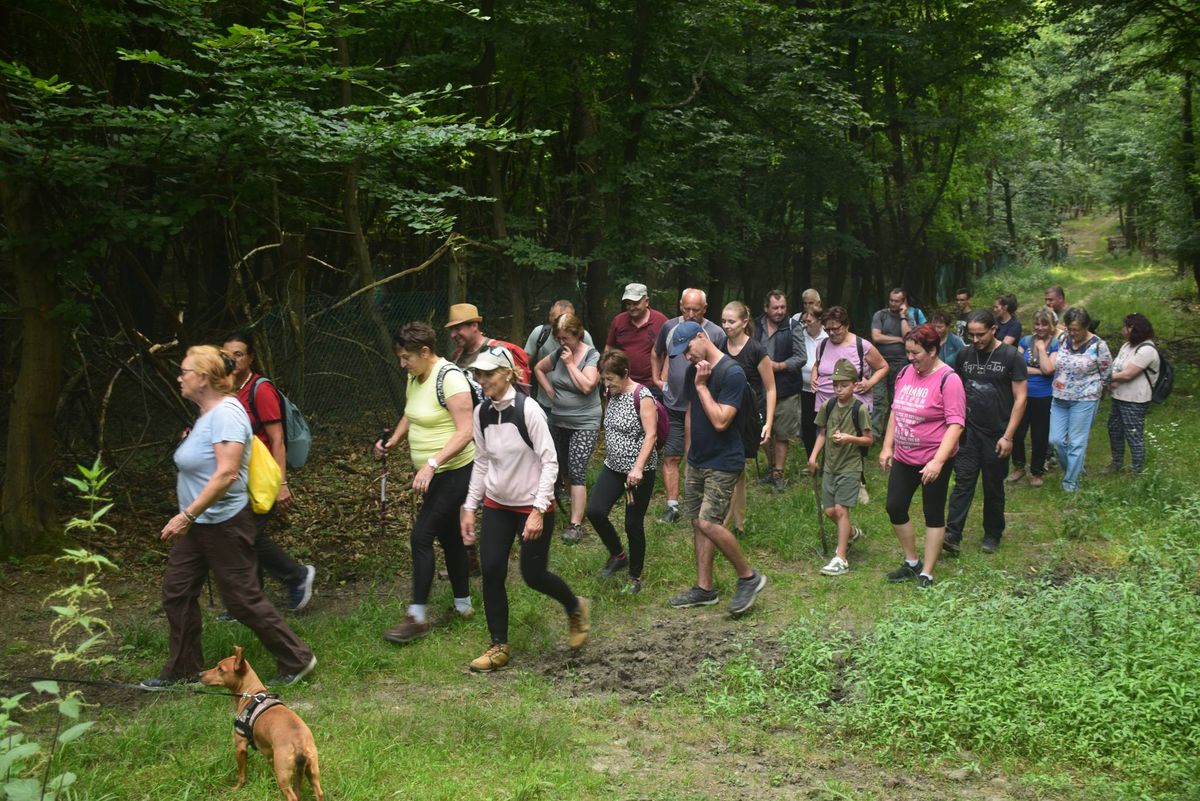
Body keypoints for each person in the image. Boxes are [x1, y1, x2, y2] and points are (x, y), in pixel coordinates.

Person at [143, 346, 316, 688]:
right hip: (199, 525)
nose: (180, 377)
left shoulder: (226, 414)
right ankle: (183, 668)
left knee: (241, 599)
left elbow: (226, 474)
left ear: (204, 378)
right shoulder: (208, 414)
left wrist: (185, 516)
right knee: (176, 592)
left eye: (185, 372)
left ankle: (298, 658)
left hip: (223, 523)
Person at [460, 345, 590, 673]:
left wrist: (536, 510)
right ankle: (498, 645)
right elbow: (482, 461)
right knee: (490, 570)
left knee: (533, 575)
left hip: (532, 506)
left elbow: (550, 461)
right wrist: (469, 506)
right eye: (478, 374)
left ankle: (575, 608)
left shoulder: (528, 410)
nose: (482, 379)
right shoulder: (481, 413)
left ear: (507, 374)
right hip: (497, 504)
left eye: (488, 373)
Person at [376, 323, 477, 644]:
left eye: (406, 357)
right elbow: (411, 413)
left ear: (424, 351)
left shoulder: (450, 378)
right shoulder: (414, 376)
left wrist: (432, 463)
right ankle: (463, 606)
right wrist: (392, 440)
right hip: (433, 475)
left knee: (421, 536)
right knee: (449, 538)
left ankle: (416, 617)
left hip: (456, 471)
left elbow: (466, 431)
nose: (402, 364)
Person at [665, 322, 767, 617]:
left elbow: (722, 420)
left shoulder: (731, 373)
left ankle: (749, 577)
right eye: (681, 354)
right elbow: (691, 414)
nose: (687, 357)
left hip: (724, 461)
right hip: (698, 459)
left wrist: (701, 386)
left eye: (688, 350)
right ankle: (704, 588)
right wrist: (688, 454)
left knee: (710, 523)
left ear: (701, 337)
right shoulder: (693, 370)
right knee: (697, 523)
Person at [221, 331, 316, 616]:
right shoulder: (225, 389)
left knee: (247, 535)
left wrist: (282, 482)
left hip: (261, 477)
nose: (233, 360)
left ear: (250, 357)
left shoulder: (260, 390)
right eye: (227, 355)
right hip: (236, 479)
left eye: (239, 354)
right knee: (242, 537)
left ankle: (297, 575)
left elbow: (277, 439)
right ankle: (250, 602)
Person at [879, 326, 965, 587]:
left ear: (932, 350)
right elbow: (896, 410)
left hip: (933, 459)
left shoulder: (949, 380)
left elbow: (956, 424)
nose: (910, 358)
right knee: (895, 506)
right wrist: (887, 447)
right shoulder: (905, 373)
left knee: (933, 513)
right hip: (905, 456)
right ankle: (911, 562)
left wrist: (938, 461)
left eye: (916, 353)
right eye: (907, 352)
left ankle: (927, 572)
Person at [944, 310, 1027, 555]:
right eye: (971, 335)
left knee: (993, 486)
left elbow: (1021, 399)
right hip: (968, 432)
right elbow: (955, 391)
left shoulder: (1011, 356)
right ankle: (952, 534)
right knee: (963, 483)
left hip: (997, 433)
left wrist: (1009, 436)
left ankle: (992, 533)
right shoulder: (964, 354)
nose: (976, 339)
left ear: (993, 330)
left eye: (980, 334)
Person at [585, 350, 659, 594]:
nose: (606, 384)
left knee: (632, 524)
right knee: (595, 511)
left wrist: (638, 468)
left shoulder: (642, 396)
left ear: (625, 373)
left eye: (610, 379)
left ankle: (635, 577)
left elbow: (651, 435)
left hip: (638, 473)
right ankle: (618, 554)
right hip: (613, 467)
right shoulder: (610, 393)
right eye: (603, 379)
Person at [652, 289, 726, 522]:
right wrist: (657, 380)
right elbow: (657, 353)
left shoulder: (715, 333)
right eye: (686, 309)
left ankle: (700, 503)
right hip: (674, 405)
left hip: (703, 408)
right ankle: (672, 506)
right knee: (671, 457)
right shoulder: (669, 327)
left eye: (696, 309)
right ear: (680, 306)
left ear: (705, 309)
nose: (691, 314)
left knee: (697, 456)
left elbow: (724, 365)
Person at [534, 312, 602, 543]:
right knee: (564, 470)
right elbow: (538, 369)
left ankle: (575, 525)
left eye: (566, 338)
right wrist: (551, 393)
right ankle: (573, 507)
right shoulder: (558, 353)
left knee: (577, 469)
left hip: (585, 422)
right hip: (560, 420)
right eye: (559, 338)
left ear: (577, 334)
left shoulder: (591, 355)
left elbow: (587, 386)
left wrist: (571, 364)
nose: (562, 343)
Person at [807, 358, 873, 577]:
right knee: (829, 510)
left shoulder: (859, 409)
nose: (839, 389)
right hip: (830, 466)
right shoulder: (829, 405)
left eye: (844, 385)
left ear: (854, 384)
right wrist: (814, 457)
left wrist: (849, 439)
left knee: (841, 510)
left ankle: (841, 558)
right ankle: (852, 533)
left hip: (850, 467)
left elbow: (868, 440)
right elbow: (822, 433)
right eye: (836, 385)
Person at [1035, 307, 1113, 493]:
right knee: (1056, 440)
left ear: (1086, 327)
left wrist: (1100, 392)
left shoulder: (1098, 345)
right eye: (1070, 328)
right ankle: (1074, 469)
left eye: (1076, 329)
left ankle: (1070, 484)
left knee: (1076, 442)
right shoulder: (1062, 340)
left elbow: (1107, 372)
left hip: (1085, 398)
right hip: (1060, 397)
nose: (1073, 333)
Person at [719, 301, 776, 536]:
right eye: (723, 321)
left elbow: (771, 388)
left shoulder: (756, 350)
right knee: (725, 468)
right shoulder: (720, 346)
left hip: (749, 418)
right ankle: (723, 520)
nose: (726, 326)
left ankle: (737, 524)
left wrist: (769, 424)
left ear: (744, 322)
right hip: (724, 415)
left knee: (737, 470)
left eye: (731, 321)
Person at [754, 291, 806, 490]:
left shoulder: (793, 327)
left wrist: (780, 366)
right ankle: (771, 466)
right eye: (775, 308)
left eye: (783, 307)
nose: (779, 311)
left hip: (786, 387)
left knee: (782, 432)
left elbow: (801, 357)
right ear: (766, 308)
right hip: (761, 387)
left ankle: (778, 472)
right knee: (763, 430)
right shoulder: (756, 325)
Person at [1009, 308, 1060, 487]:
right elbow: (1018, 366)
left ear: (1051, 326)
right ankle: (1019, 466)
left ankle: (1037, 471)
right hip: (1022, 393)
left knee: (1040, 435)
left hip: (1044, 395)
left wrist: (1041, 348)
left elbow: (1049, 369)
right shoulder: (1024, 341)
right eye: (1037, 324)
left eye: (1044, 324)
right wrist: (1040, 371)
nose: (1040, 328)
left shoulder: (1055, 344)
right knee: (1017, 431)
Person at [1105, 313, 1160, 475]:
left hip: (1135, 400)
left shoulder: (1147, 350)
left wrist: (1104, 377)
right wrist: (1111, 378)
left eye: (1125, 326)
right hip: (1118, 396)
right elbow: (1116, 365)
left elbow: (1128, 374)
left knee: (1133, 433)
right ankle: (1116, 463)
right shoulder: (1127, 346)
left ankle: (1137, 470)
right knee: (1114, 429)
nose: (1122, 329)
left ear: (1132, 329)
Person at [812, 306, 889, 420]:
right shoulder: (822, 345)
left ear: (846, 325)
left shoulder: (862, 346)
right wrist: (813, 377)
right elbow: (817, 364)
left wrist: (869, 383)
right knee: (823, 437)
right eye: (827, 329)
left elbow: (884, 367)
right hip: (824, 408)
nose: (831, 333)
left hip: (854, 410)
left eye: (835, 328)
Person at [871, 288, 926, 438]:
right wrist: (898, 340)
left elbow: (909, 337)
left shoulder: (909, 317)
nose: (893, 303)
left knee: (898, 399)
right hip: (880, 363)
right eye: (891, 300)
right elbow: (876, 337)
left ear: (904, 302)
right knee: (879, 399)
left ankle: (896, 434)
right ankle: (875, 435)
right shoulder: (880, 315)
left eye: (897, 301)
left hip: (903, 364)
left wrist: (903, 316)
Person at [525, 300, 594, 416]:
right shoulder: (540, 334)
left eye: (566, 319)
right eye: (557, 319)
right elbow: (523, 363)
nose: (561, 323)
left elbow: (593, 365)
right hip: (546, 404)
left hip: (575, 405)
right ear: (550, 317)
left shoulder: (583, 337)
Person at [605, 282, 668, 392]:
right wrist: (607, 373)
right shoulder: (618, 321)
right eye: (628, 304)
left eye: (636, 303)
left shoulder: (661, 321)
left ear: (646, 302)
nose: (631, 307)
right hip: (622, 382)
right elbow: (609, 348)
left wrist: (662, 378)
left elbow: (670, 353)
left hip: (652, 385)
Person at [797, 308, 827, 457]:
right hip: (804, 388)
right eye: (805, 321)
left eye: (810, 320)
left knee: (823, 425)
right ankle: (811, 458)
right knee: (807, 425)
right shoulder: (800, 335)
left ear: (820, 320)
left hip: (823, 389)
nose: (806, 324)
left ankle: (825, 459)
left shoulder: (827, 337)